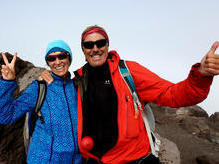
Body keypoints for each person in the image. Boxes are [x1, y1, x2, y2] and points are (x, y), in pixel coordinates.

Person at [41, 25, 219, 164]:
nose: (95, 48)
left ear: (107, 45)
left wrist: (201, 75)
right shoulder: (78, 80)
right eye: (89, 45)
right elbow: (59, 101)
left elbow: (173, 95)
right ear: (83, 49)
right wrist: (47, 78)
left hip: (135, 160)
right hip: (97, 161)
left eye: (100, 43)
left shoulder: (128, 71)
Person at [0, 40, 82, 163]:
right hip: (43, 160)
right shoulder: (39, 87)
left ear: (69, 57)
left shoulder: (78, 87)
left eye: (62, 56)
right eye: (51, 58)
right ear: (48, 62)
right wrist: (7, 82)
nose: (57, 61)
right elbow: (6, 116)